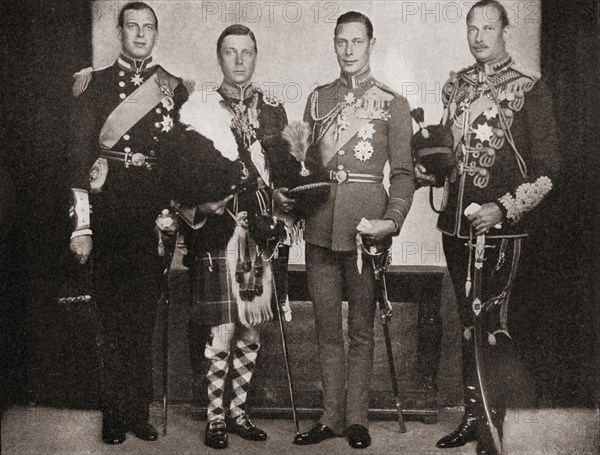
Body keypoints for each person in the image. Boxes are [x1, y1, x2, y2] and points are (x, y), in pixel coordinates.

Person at [413, 1, 560, 454]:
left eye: (488, 28)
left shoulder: (529, 89)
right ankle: (472, 417)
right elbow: (449, 155)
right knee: (465, 322)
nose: (479, 37)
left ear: (504, 31)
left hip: (502, 231)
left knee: (492, 321)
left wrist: (502, 207)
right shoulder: (456, 86)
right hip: (456, 227)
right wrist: (430, 171)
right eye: (472, 28)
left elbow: (549, 170)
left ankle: (495, 426)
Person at [159, 24, 294, 450]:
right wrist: (202, 206)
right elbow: (178, 178)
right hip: (217, 234)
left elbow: (285, 174)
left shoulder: (273, 112)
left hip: (261, 235)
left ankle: (238, 412)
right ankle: (215, 418)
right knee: (221, 329)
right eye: (231, 53)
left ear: (256, 57)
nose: (239, 60)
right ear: (219, 58)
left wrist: (286, 203)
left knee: (251, 330)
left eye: (247, 53)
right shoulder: (198, 109)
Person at [68, 2, 193, 444]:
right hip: (109, 212)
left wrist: (174, 212)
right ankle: (112, 413)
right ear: (119, 31)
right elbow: (79, 160)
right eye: (132, 26)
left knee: (143, 317)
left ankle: (138, 412)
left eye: (148, 28)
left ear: (156, 34)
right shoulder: (94, 84)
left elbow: (177, 158)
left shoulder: (174, 88)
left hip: (153, 216)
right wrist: (81, 226)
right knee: (111, 318)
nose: (140, 34)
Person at [292, 11, 415, 450]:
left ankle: (357, 419)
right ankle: (330, 417)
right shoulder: (318, 99)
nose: (348, 51)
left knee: (360, 328)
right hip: (321, 227)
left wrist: (392, 221)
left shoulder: (392, 103)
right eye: (341, 42)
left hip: (367, 231)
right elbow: (305, 168)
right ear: (334, 44)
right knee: (327, 329)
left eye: (356, 42)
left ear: (371, 44)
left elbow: (402, 174)